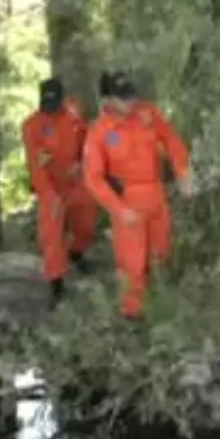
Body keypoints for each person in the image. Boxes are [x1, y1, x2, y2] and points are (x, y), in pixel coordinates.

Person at [83, 70, 192, 320]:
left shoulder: (147, 114)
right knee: (133, 264)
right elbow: (93, 178)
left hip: (156, 195)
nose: (131, 102)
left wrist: (182, 170)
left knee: (161, 253)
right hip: (127, 202)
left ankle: (159, 305)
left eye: (131, 96)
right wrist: (119, 210)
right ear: (108, 100)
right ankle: (132, 318)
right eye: (123, 98)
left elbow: (171, 139)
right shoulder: (99, 132)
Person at [21, 77, 98, 308]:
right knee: (51, 233)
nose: (51, 109)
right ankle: (56, 284)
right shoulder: (31, 126)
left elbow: (88, 140)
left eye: (55, 104)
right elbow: (36, 167)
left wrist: (81, 162)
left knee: (86, 221)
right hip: (49, 185)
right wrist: (49, 196)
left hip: (74, 181)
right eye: (47, 104)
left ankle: (77, 252)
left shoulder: (73, 114)